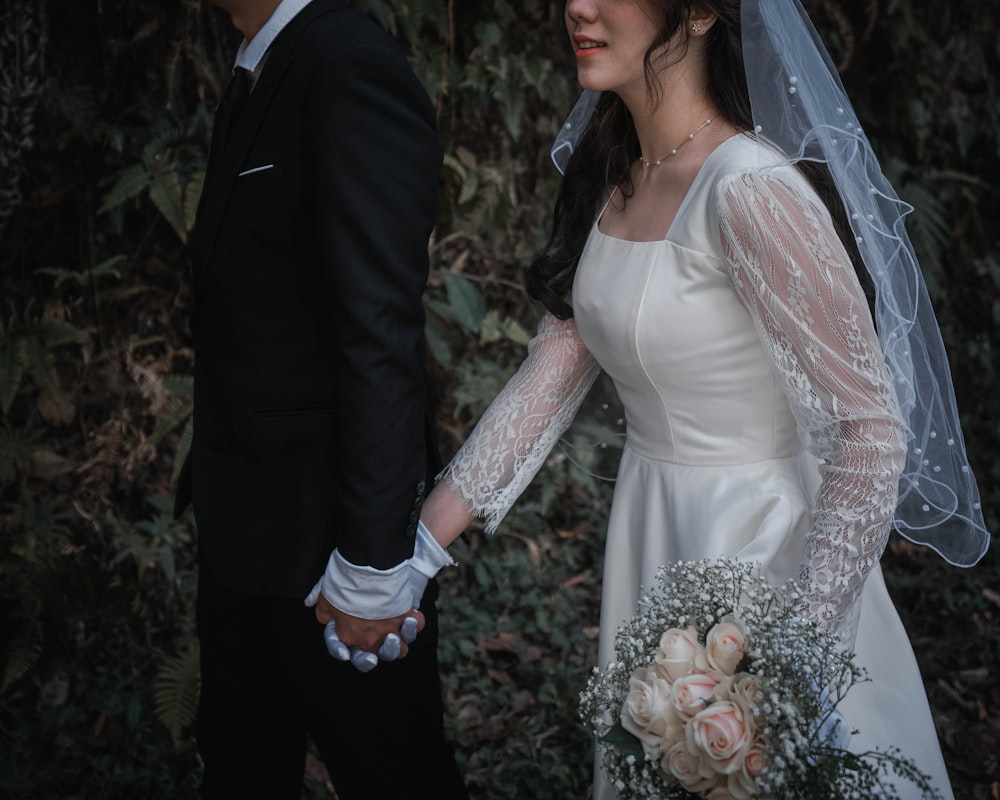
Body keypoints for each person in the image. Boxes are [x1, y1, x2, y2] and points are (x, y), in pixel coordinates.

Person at [412, 0, 991, 798]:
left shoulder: (751, 191)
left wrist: (785, 673)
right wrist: (411, 558)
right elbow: (552, 368)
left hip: (765, 562)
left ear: (699, 14)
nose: (575, 6)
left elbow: (869, 430)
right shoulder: (619, 174)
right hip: (652, 536)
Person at [172, 0, 468, 797]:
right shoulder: (261, 67)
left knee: (390, 773)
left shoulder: (346, 66)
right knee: (240, 767)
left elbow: (378, 332)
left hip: (327, 549)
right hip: (243, 524)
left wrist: (371, 567)